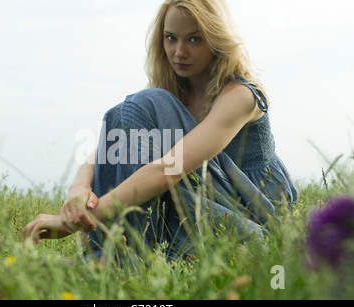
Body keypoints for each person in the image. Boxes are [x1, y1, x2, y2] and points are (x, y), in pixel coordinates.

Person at [22, 0, 298, 260]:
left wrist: (83, 220)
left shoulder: (241, 95)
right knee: (125, 114)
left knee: (144, 104)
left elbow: (170, 168)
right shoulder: (175, 91)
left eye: (194, 39)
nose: (179, 52)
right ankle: (116, 256)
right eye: (171, 38)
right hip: (198, 195)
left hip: (249, 211)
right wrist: (78, 192)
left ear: (217, 39)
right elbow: (111, 146)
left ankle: (117, 258)